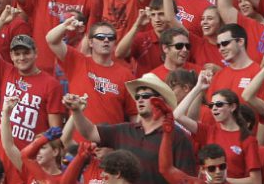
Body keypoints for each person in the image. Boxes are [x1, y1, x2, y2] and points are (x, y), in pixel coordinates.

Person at [66, 72, 197, 183]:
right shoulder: (123, 131)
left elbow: (187, 179)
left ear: (160, 100)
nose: (140, 100)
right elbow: (89, 132)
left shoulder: (177, 137)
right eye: (137, 96)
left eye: (145, 96)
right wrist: (77, 111)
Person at [0, 5, 64, 148]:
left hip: (32, 155)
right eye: (17, 54)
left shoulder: (51, 84)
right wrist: (2, 22)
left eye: (26, 53)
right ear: (11, 56)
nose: (22, 58)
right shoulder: (6, 71)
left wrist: (41, 144)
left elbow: (55, 132)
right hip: (3, 151)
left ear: (35, 53)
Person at [47, 18, 137, 134]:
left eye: (110, 38)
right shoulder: (77, 61)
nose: (106, 40)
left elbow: (134, 115)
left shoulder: (126, 74)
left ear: (114, 43)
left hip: (108, 146)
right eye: (100, 37)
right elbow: (51, 40)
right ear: (90, 42)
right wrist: (65, 26)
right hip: (76, 144)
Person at [174, 75, 262, 183]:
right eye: (211, 105)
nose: (214, 108)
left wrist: (223, 181)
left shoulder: (247, 139)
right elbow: (177, 115)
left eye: (219, 104)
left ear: (233, 107)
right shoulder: (209, 131)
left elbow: (256, 181)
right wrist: (198, 88)